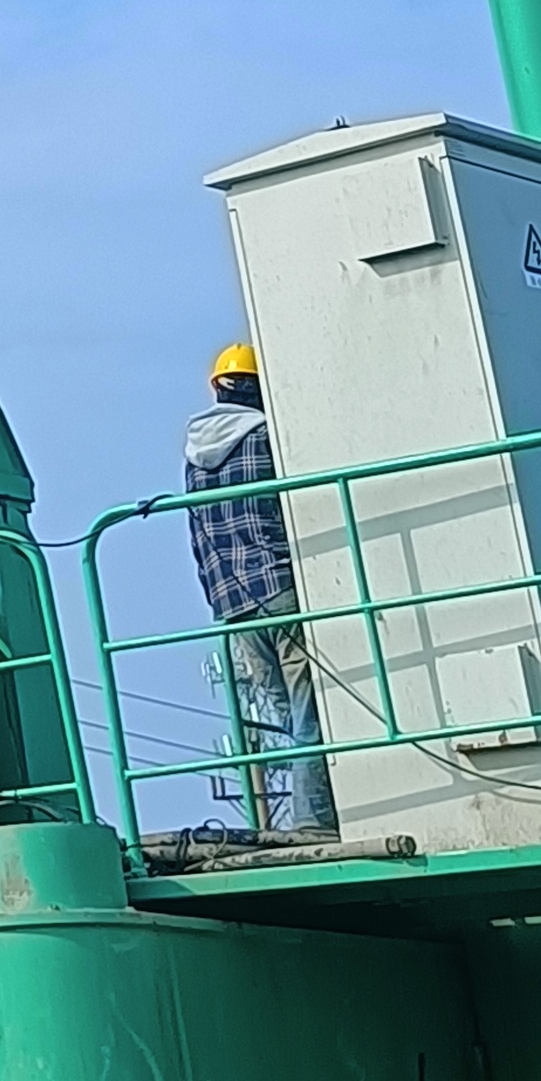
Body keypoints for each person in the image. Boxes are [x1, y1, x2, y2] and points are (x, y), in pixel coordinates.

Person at [183, 344, 333, 838]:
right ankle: (314, 818)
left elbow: (198, 535)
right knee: (309, 708)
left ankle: (315, 809)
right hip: (277, 586)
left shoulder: (194, 457)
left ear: (217, 388)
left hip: (232, 603)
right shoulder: (268, 436)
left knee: (288, 714)